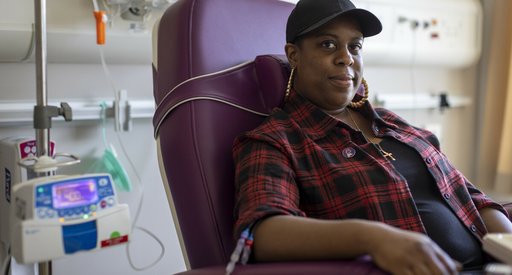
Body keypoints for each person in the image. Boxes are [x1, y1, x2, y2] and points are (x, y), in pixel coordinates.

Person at [231, 0, 512, 274]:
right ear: (293, 55)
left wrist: (507, 245)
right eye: (328, 44)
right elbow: (262, 231)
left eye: (355, 46)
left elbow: (471, 197)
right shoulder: (275, 140)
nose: (346, 58)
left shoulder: (393, 123)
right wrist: (373, 238)